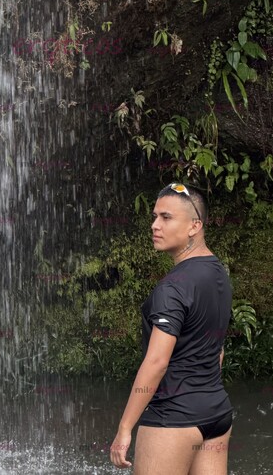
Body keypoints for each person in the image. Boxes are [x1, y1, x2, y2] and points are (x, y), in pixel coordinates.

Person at [109, 183, 234, 474]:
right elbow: (218, 352)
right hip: (216, 413)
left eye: (166, 217)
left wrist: (125, 428)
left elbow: (157, 362)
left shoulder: (171, 289)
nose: (155, 225)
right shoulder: (218, 273)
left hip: (173, 418)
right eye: (154, 217)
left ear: (194, 226)